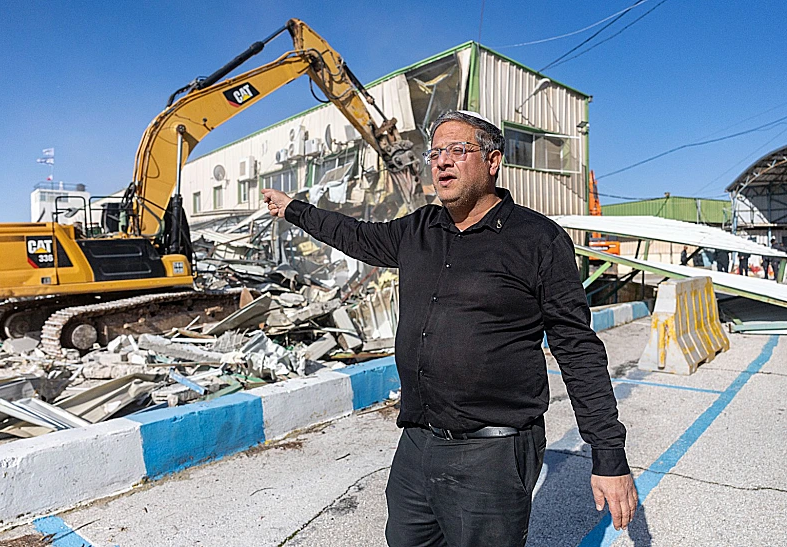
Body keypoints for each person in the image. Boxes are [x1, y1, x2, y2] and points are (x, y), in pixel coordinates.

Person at [263, 110, 637, 547]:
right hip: (419, 443)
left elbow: (576, 347)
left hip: (493, 452)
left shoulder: (538, 240)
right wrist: (295, 210)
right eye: (435, 152)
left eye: (458, 150)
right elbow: (357, 236)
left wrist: (608, 456)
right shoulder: (419, 228)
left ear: (492, 161)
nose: (442, 162)